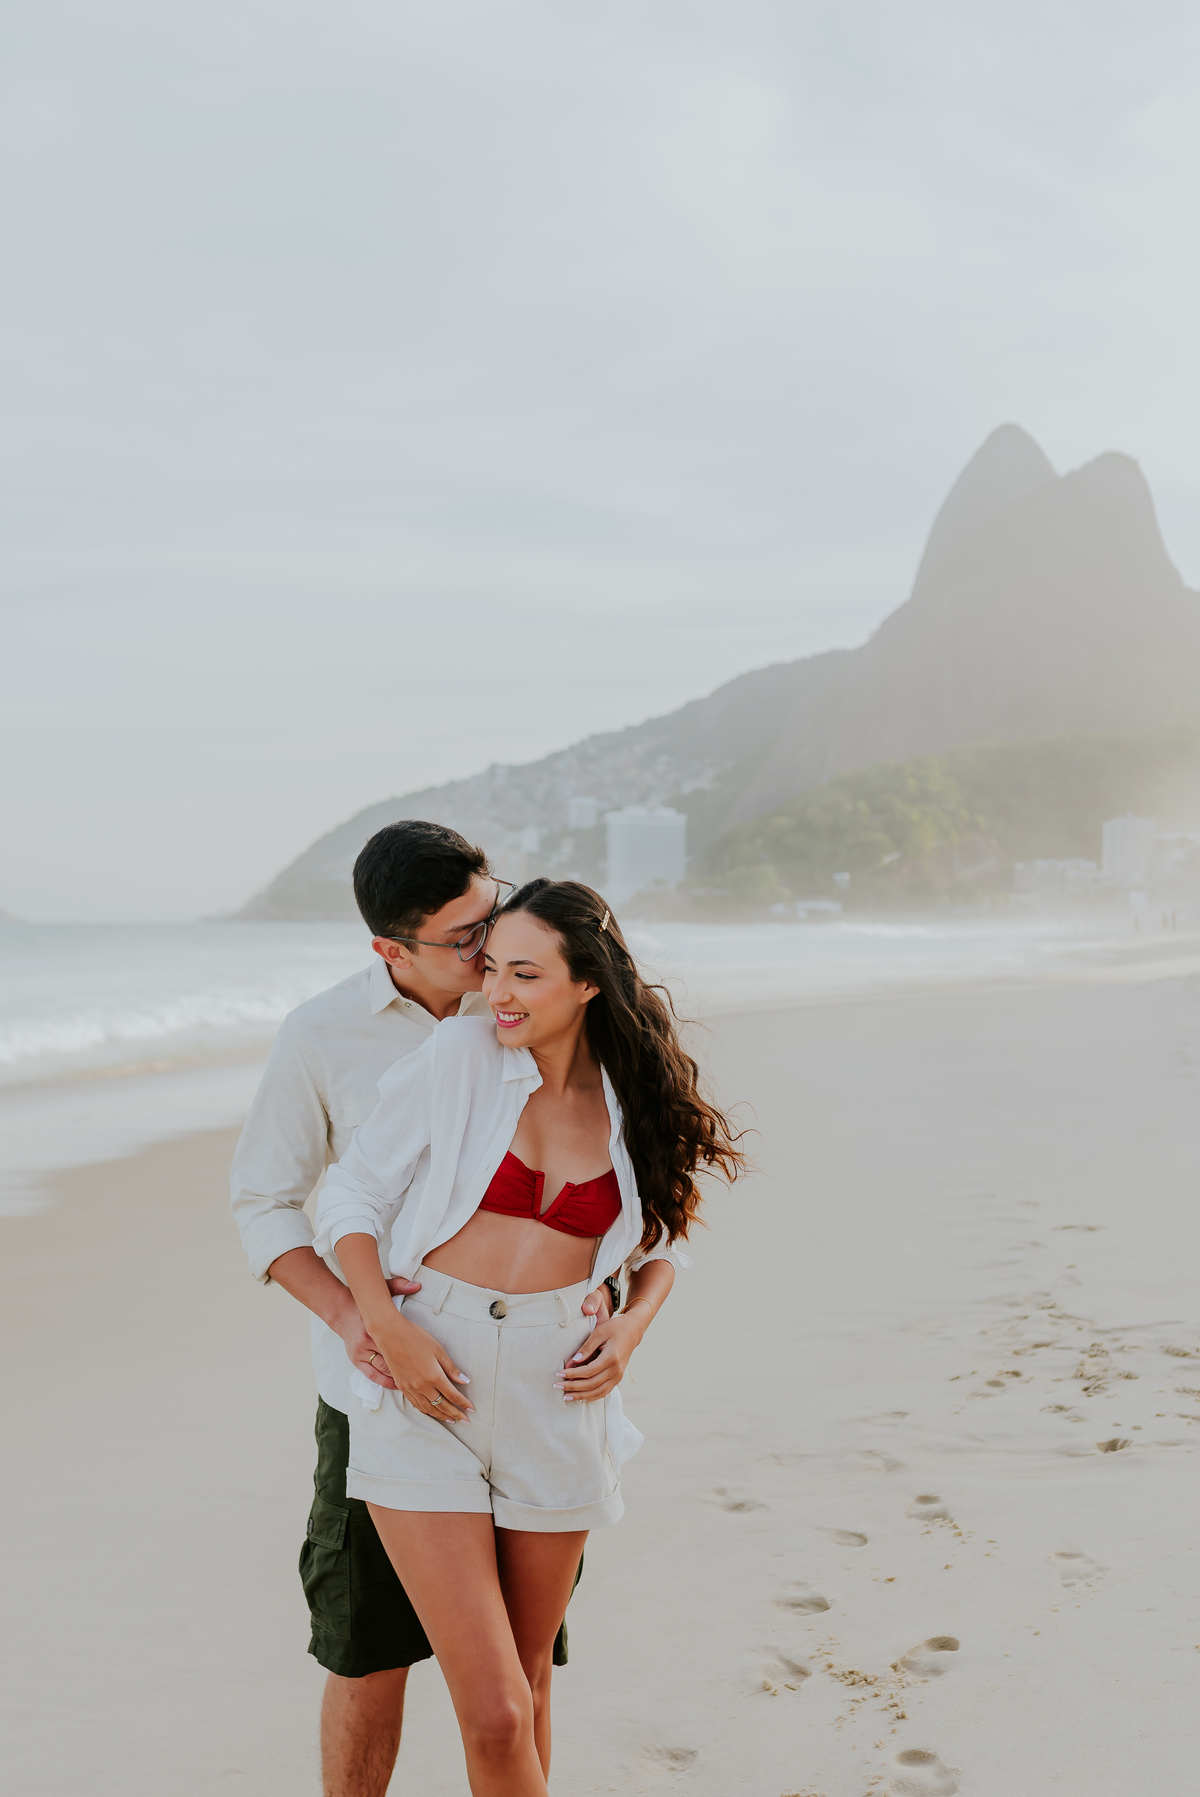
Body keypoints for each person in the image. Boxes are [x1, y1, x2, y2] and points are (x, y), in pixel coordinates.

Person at [314, 878, 744, 1797]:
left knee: (532, 1680)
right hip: (429, 1377)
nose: (495, 992)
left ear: (587, 982)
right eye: (491, 968)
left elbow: (667, 1245)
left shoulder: (638, 1096)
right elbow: (350, 1196)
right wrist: (383, 1320)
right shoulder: (460, 1053)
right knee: (499, 1709)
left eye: (524, 973)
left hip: (558, 1388)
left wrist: (629, 1327)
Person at [231, 824, 621, 1797]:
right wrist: (360, 1322)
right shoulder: (323, 1036)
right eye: (461, 940)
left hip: (529, 1388)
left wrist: (613, 1302)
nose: (488, 948)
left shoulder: (539, 1013)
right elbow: (268, 1202)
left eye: (493, 914)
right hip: (376, 1397)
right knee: (367, 1655)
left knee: (516, 1677)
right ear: (390, 952)